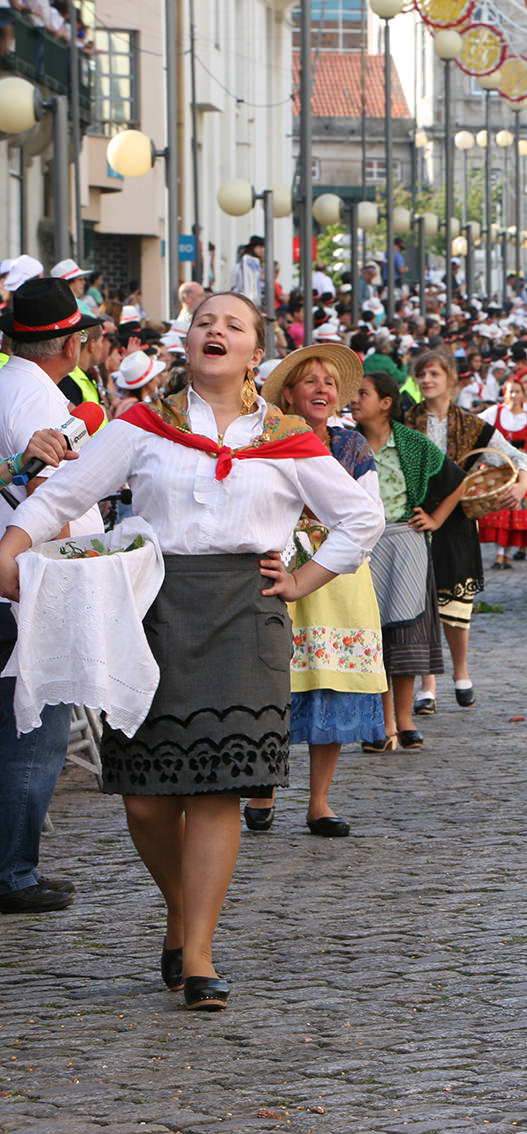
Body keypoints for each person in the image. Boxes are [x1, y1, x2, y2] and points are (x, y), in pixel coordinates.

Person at [0, 292, 383, 1008]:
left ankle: (199, 952)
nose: (216, 330)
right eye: (205, 321)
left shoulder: (287, 434)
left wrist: (303, 578)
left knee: (216, 789)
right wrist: (12, 547)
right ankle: (181, 913)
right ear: (188, 342)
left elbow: (362, 515)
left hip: (246, 611)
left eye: (233, 325)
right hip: (151, 606)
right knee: (145, 797)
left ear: (253, 353)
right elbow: (63, 494)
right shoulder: (142, 424)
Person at [241, 344, 385, 837]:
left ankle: (319, 801)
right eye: (310, 381)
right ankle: (264, 786)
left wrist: (326, 530)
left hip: (338, 578)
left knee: (332, 683)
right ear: (287, 393)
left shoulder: (351, 447)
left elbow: (369, 512)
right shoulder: (267, 440)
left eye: (329, 382)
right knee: (274, 684)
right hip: (279, 569)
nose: (322, 389)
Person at [0, 279, 107, 915]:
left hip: (20, 573)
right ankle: (14, 871)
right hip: (32, 579)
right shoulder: (35, 393)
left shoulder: (15, 381)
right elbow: (49, 498)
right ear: (70, 342)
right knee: (33, 729)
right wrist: (62, 565)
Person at [404, 350, 527, 714]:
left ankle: (461, 672)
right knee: (420, 603)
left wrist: (522, 482)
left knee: (455, 605)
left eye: (434, 374)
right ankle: (427, 684)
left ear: (451, 380)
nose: (427, 381)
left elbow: (518, 457)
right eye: (422, 375)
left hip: (457, 521)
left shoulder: (472, 425)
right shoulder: (405, 419)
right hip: (414, 517)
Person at [350, 370, 466, 752]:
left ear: (385, 403)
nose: (354, 399)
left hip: (406, 542)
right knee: (374, 634)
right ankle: (382, 723)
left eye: (362, 394)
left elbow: (458, 480)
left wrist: (435, 518)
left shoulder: (412, 444)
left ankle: (404, 718)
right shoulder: (348, 444)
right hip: (365, 545)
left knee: (406, 635)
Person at [477, 378, 527, 567]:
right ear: (504, 393)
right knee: (500, 510)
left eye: (517, 392)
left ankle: (506, 554)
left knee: (515, 512)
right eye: (510, 391)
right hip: (497, 468)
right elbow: (474, 426)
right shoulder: (494, 412)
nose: (513, 395)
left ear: (523, 395)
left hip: (519, 470)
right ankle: (499, 554)